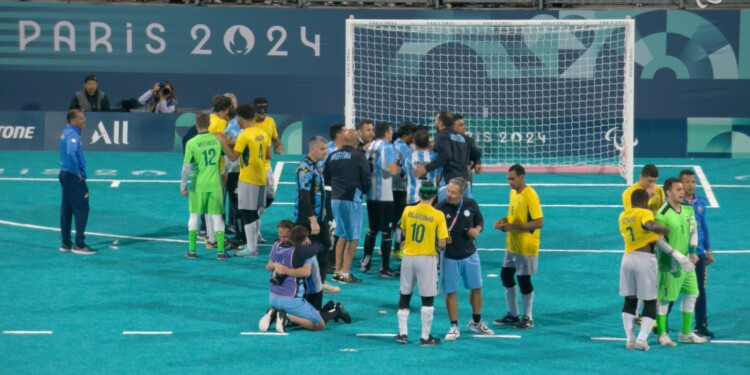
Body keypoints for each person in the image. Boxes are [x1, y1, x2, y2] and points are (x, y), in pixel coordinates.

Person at [259, 221, 349, 332]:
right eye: (280, 236)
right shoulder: (300, 249)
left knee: (309, 316)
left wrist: (284, 270)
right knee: (317, 323)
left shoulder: (303, 249)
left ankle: (278, 313)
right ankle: (335, 310)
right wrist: (276, 265)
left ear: (293, 235)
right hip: (297, 294)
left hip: (312, 290)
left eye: (285, 236)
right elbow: (321, 247)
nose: (282, 240)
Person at [435, 177, 493, 340]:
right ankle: (454, 326)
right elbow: (432, 231)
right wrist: (438, 242)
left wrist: (477, 230)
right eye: (448, 191)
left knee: (476, 288)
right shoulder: (439, 209)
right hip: (450, 258)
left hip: (470, 255)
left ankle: (476, 322)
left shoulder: (470, 205)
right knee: (451, 292)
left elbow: (480, 220)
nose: (450, 195)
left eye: (454, 192)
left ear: (462, 193)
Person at [654, 178, 707, 346]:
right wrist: (677, 255)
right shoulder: (661, 214)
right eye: (678, 189)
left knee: (692, 293)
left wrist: (692, 251)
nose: (682, 192)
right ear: (668, 192)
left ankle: (685, 333)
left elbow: (693, 231)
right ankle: (662, 334)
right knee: (664, 299)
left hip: (687, 263)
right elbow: (658, 241)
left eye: (682, 189)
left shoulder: (687, 209)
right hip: (668, 264)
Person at [618, 189, 672, 351]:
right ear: (643, 202)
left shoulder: (623, 216)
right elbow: (649, 225)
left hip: (627, 259)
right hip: (644, 260)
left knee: (630, 300)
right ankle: (642, 339)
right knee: (650, 301)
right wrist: (662, 229)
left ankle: (630, 339)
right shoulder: (643, 212)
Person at [395, 182, 448, 347]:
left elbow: (403, 231)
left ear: (419, 194)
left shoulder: (408, 210)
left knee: (405, 295)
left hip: (409, 257)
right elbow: (442, 244)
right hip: (427, 258)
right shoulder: (438, 215)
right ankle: (425, 337)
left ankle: (402, 334)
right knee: (427, 298)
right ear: (434, 196)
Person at [493, 164, 543, 329]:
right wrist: (503, 221)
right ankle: (513, 315)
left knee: (524, 280)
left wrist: (513, 226)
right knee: (506, 276)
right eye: (508, 178)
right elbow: (514, 216)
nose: (509, 182)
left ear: (522, 177)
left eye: (512, 178)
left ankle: (528, 317)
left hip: (525, 247)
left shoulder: (531, 195)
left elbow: (538, 222)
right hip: (512, 245)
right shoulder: (513, 193)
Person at [217, 104, 272, 257]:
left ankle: (251, 248)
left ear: (240, 117)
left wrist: (223, 143)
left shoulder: (244, 135)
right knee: (254, 213)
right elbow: (269, 155)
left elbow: (233, 157)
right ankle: (253, 244)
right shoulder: (262, 132)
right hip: (261, 177)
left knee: (247, 213)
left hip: (248, 178)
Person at [324, 129, 371, 284]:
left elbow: (327, 177)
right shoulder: (359, 156)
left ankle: (337, 272)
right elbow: (366, 178)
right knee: (353, 238)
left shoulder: (332, 155)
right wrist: (362, 190)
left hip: (336, 198)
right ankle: (345, 273)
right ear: (356, 140)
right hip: (352, 199)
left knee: (342, 234)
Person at [260, 225, 326, 333]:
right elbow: (306, 271)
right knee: (319, 324)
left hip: (273, 297)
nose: (283, 239)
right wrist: (287, 271)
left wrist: (276, 265)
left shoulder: (277, 246)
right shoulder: (303, 252)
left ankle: (274, 312)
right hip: (291, 299)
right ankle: (287, 316)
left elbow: (268, 266)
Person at [295, 136, 339, 294]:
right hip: (307, 219)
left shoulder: (316, 166)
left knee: (326, 246)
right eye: (322, 149)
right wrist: (312, 220)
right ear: (312, 149)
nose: (325, 151)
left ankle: (320, 282)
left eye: (326, 148)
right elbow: (304, 196)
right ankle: (306, 285)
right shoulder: (304, 169)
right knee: (309, 252)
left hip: (320, 217)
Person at [180, 113, 227, 260]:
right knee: (217, 217)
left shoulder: (191, 143)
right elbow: (224, 160)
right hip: (215, 185)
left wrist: (183, 186)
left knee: (194, 215)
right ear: (209, 123)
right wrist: (223, 174)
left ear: (196, 124)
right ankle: (220, 252)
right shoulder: (217, 140)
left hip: (197, 185)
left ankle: (192, 250)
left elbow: (186, 168)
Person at [361, 121, 402, 277]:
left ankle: (366, 263)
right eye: (390, 131)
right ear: (386, 133)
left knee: (372, 229)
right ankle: (384, 268)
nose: (391, 133)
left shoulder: (369, 146)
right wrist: (401, 167)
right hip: (385, 195)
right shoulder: (387, 147)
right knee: (386, 232)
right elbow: (392, 170)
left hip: (370, 195)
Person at [679, 169, 715, 338]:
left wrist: (708, 249)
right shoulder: (675, 204)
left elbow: (705, 228)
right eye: (687, 182)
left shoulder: (700, 203)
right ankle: (657, 322)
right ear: (680, 184)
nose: (691, 185)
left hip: (699, 253)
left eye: (693, 182)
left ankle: (701, 324)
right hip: (680, 253)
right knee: (673, 290)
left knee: (700, 289)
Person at [58, 109, 95, 255]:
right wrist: (77, 173)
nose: (83, 121)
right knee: (82, 208)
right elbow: (71, 154)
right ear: (72, 120)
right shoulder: (73, 135)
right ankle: (80, 244)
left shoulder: (66, 132)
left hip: (65, 175)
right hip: (72, 176)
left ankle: (66, 243)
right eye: (81, 119)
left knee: (66, 209)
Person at [413, 111, 472, 200]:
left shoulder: (441, 135)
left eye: (436, 120)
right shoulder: (462, 137)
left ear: (440, 123)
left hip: (450, 183)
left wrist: (425, 168)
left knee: (444, 212)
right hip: (465, 182)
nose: (435, 123)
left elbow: (445, 156)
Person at [251, 97, 284, 244]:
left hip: (266, 165)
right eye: (259, 111)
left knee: (270, 196)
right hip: (252, 167)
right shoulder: (249, 123)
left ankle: (254, 216)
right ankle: (255, 232)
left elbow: (274, 138)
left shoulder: (270, 121)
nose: (262, 114)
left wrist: (278, 145)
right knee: (255, 200)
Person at [392, 122, 416, 258]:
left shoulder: (392, 145)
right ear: (406, 135)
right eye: (411, 135)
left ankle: (386, 247)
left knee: (393, 219)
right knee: (401, 220)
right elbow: (407, 169)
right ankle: (397, 248)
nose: (413, 138)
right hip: (400, 188)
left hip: (389, 187)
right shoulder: (405, 149)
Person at [404, 128, 441, 205]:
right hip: (431, 197)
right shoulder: (436, 157)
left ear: (414, 142)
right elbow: (438, 179)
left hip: (413, 197)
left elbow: (405, 177)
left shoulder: (408, 158)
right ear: (428, 142)